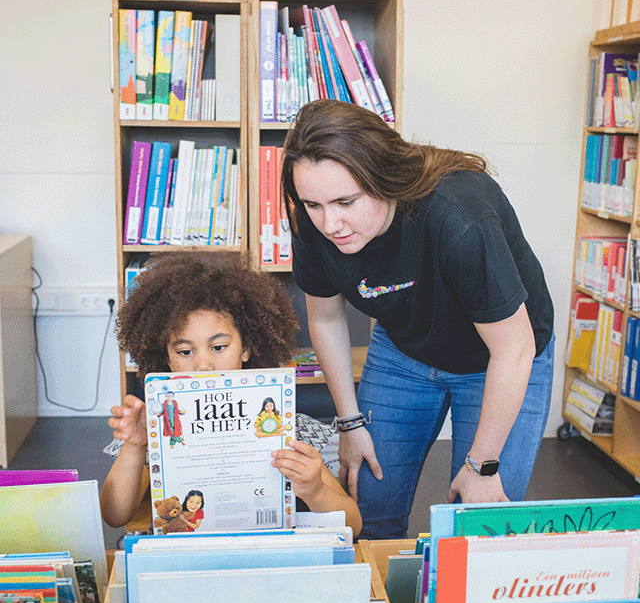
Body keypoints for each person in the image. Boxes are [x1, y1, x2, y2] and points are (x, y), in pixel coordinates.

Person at [281, 99, 555, 540]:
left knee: (475, 527)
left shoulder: (458, 215)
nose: (330, 223)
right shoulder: (313, 223)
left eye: (346, 201)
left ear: (384, 179)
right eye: (314, 204)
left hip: (498, 359)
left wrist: (482, 465)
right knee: (367, 513)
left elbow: (514, 347)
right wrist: (349, 424)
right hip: (404, 350)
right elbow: (327, 319)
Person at [99, 253, 362, 538]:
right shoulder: (156, 427)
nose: (203, 365)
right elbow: (114, 515)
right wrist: (136, 446)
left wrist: (315, 491)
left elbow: (353, 524)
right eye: (185, 352)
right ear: (168, 359)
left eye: (219, 346)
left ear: (246, 348)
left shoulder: (284, 425)